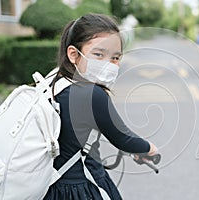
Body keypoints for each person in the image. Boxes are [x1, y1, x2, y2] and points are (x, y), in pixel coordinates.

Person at [43, 14, 158, 200]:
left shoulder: (52, 82)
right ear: (73, 54)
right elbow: (124, 139)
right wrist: (149, 148)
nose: (109, 63)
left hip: (49, 188)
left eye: (115, 57)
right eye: (99, 54)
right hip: (81, 189)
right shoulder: (91, 94)